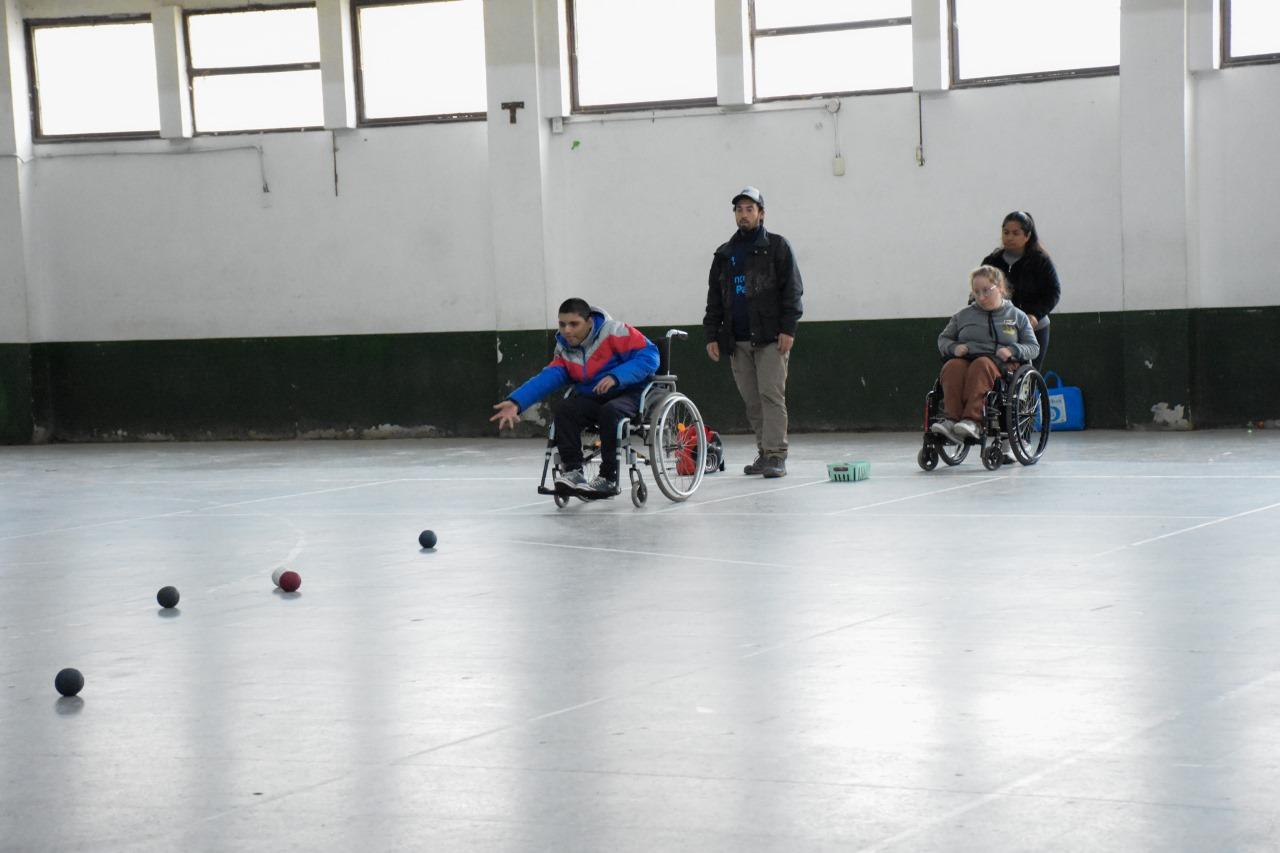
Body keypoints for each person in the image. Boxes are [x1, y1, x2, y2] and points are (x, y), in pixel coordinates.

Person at [490, 299, 659, 497]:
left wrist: (616, 377)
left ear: (588, 322)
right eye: (562, 324)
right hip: (596, 396)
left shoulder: (615, 331)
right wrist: (517, 402)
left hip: (632, 393)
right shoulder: (564, 348)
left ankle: (607, 477)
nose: (567, 330)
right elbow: (548, 377)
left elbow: (650, 356)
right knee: (565, 409)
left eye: (573, 324)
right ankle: (573, 472)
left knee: (610, 411)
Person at [703, 186, 804, 478]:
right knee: (752, 400)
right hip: (737, 339)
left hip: (772, 337)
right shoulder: (724, 254)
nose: (744, 214)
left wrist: (788, 328)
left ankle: (776, 455)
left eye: (750, 209)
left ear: (761, 213)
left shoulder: (777, 247)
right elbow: (714, 298)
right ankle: (763, 452)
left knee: (771, 396)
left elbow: (792, 291)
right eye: (739, 210)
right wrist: (712, 334)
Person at [931, 266, 1039, 443]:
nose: (981, 297)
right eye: (976, 292)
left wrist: (1013, 350)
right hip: (968, 359)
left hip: (1003, 365)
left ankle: (973, 421)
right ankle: (952, 420)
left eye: (986, 291)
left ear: (1000, 288)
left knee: (982, 364)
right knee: (952, 366)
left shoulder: (1017, 316)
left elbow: (1033, 347)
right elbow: (943, 339)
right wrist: (954, 348)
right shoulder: (962, 316)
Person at [980, 210, 1060, 370]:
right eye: (1006, 232)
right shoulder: (992, 261)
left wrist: (1035, 314)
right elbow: (978, 289)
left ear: (1027, 236)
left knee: (1027, 375)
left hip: (1033, 326)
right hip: (998, 326)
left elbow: (1053, 292)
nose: (1009, 237)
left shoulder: (1040, 261)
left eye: (1015, 233)